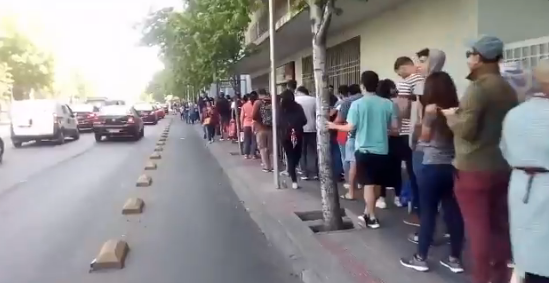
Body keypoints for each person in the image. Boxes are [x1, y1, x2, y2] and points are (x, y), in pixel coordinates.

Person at [443, 35, 518, 283]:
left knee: (478, 230)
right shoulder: (507, 88)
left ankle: (482, 278)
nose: (469, 59)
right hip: (502, 164)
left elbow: (466, 130)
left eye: (471, 54)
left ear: (478, 58)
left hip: (473, 168)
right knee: (498, 227)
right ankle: (500, 276)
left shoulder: (478, 89)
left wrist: (451, 117)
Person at [400, 71, 465, 273]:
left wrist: (422, 121)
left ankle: (421, 257)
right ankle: (455, 259)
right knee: (453, 212)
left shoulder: (430, 110)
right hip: (452, 166)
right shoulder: (458, 110)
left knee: (428, 213)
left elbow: (425, 138)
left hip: (430, 166)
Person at [327, 71, 398, 229]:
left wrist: (333, 125)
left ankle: (372, 218)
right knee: (377, 183)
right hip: (382, 150)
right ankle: (367, 213)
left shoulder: (357, 104)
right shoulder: (388, 104)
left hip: (364, 150)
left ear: (363, 85)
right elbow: (394, 129)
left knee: (368, 185)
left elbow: (350, 127)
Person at [501, 59, 549, 283]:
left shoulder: (515, 114)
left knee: (525, 245)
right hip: (545, 187)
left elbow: (505, 150)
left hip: (520, 185)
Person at [393, 55, 430, 226]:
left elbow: (403, 108)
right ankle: (427, 208)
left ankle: (417, 212)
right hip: (427, 131)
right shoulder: (426, 79)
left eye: (400, 73)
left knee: (412, 172)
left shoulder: (407, 80)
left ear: (403, 68)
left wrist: (396, 123)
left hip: (410, 132)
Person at [376, 79, 403, 208]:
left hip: (379, 140)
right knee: (396, 169)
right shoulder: (392, 105)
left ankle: (381, 197)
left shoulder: (374, 104)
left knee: (381, 170)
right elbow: (396, 128)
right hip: (393, 140)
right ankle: (398, 197)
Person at [334, 83, 362, 200]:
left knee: (346, 158)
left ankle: (349, 182)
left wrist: (332, 124)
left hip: (344, 131)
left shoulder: (345, 102)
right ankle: (360, 181)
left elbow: (339, 119)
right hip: (362, 133)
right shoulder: (365, 99)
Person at [278, 90, 307, 189]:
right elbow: (304, 120)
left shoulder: (281, 109)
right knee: (297, 154)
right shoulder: (298, 107)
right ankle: (292, 170)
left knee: (290, 155)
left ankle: (293, 176)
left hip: (285, 135)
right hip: (297, 134)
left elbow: (278, 123)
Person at [294, 86, 318, 180]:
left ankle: (304, 173)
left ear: (299, 92)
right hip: (313, 128)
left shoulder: (295, 100)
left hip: (300, 129)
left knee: (302, 152)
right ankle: (315, 172)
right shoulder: (314, 100)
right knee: (314, 151)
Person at [252, 89, 274, 172]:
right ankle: (273, 165)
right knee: (271, 148)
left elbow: (253, 116)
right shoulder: (272, 101)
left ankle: (266, 166)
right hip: (271, 128)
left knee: (263, 148)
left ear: (259, 94)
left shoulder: (258, 102)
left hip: (260, 128)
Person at [241, 91, 258, 159]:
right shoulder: (255, 105)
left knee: (246, 140)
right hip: (254, 124)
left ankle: (246, 154)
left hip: (246, 125)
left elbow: (241, 116)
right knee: (254, 140)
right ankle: (254, 154)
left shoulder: (244, 106)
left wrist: (242, 124)